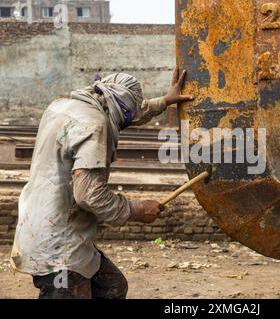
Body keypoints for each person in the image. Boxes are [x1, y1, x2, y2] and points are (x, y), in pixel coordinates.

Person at [10, 67, 193, 299]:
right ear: (119, 105)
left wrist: (166, 100)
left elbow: (129, 111)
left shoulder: (66, 104)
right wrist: (136, 209)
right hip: (59, 243)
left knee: (111, 287)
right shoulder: (94, 124)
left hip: (44, 223)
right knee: (69, 290)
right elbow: (89, 195)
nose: (126, 121)